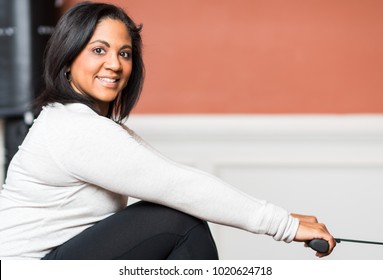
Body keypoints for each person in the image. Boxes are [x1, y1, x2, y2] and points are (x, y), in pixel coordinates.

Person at [0, 2, 336, 260]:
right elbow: (179, 185)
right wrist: (284, 226)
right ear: (68, 59)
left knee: (175, 217)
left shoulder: (85, 125)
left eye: (125, 53)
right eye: (98, 50)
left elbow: (168, 175)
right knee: (177, 221)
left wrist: (288, 219)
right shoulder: (72, 129)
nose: (115, 64)